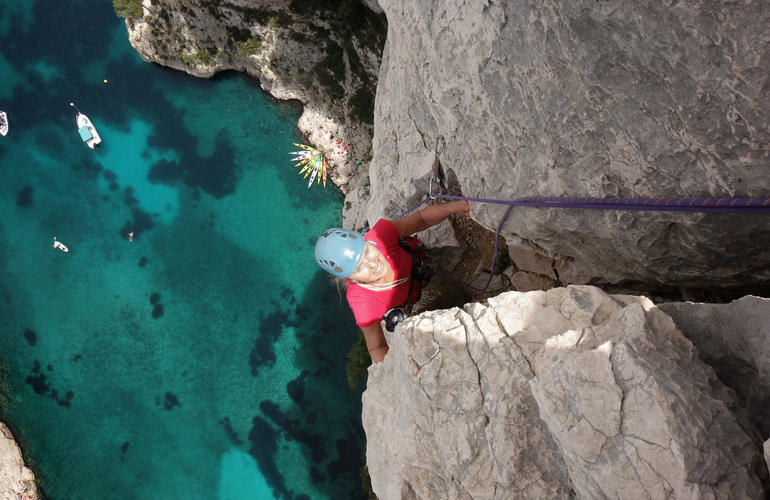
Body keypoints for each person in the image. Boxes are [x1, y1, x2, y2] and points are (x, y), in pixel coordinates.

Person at [314, 200, 470, 363]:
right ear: (349, 279)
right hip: (413, 293)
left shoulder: (381, 235)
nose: (373, 264)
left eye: (367, 251)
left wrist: (453, 208)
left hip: (419, 269)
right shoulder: (363, 303)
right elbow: (376, 347)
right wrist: (397, 372)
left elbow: (421, 220)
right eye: (359, 269)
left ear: (367, 241)